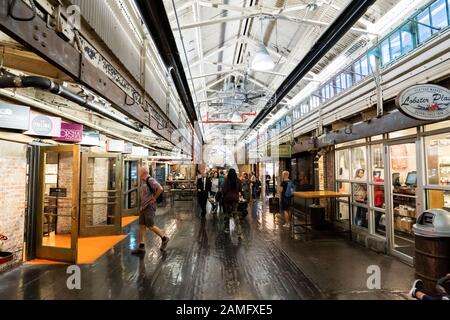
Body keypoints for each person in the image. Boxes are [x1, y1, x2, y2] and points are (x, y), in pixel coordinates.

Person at [132, 166, 169, 255]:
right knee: (142, 226)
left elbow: (160, 188)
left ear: (143, 172)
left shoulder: (150, 180)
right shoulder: (143, 181)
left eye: (139, 171)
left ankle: (164, 238)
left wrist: (154, 198)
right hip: (143, 207)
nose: (138, 173)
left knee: (150, 226)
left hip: (149, 207)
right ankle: (141, 247)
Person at [222, 168, 242, 237]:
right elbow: (240, 189)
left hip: (228, 199)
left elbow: (224, 190)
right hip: (235, 199)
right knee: (235, 214)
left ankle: (227, 228)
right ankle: (239, 230)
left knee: (227, 214)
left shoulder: (227, 181)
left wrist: (225, 195)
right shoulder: (238, 181)